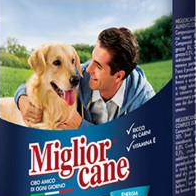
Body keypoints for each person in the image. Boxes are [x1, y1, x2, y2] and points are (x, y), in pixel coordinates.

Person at [15, 27, 155, 128]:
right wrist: (22, 100)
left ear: (118, 76)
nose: (88, 69)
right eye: (92, 59)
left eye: (98, 65)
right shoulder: (80, 74)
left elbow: (133, 144)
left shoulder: (145, 100)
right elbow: (38, 82)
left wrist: (81, 126)